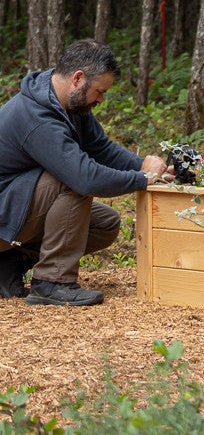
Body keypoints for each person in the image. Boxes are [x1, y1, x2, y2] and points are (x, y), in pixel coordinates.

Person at [0, 40, 174, 307]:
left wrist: (145, 167)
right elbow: (84, 178)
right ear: (78, 78)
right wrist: (142, 180)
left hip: (13, 209)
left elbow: (100, 147)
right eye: (99, 91)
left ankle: (11, 261)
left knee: (104, 224)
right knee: (72, 180)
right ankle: (52, 282)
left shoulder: (66, 101)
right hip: (4, 214)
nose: (101, 99)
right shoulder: (36, 116)